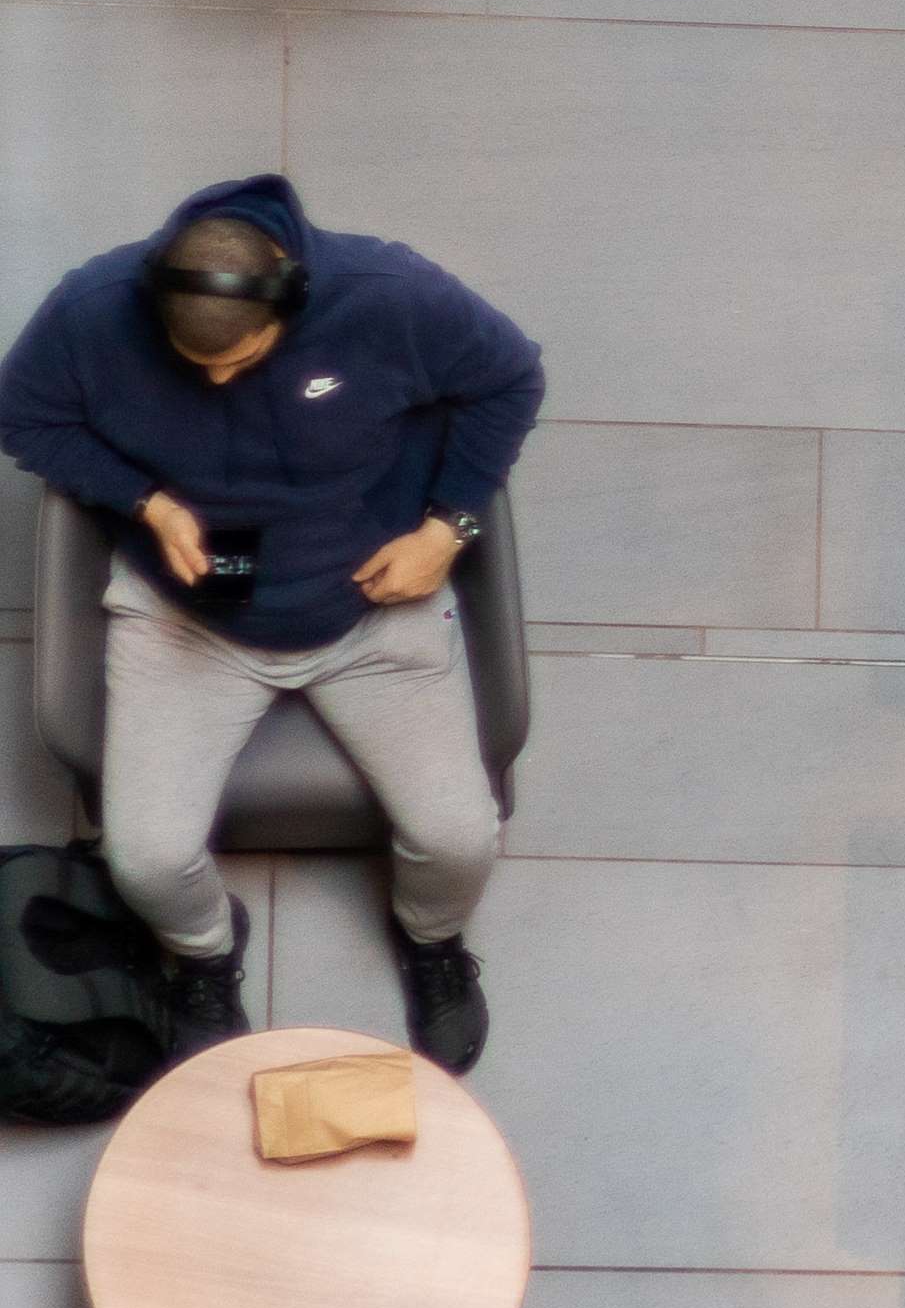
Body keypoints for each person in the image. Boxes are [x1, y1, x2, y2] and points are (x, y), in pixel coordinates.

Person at [0, 176, 542, 1073]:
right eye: (195, 363)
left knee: (459, 839)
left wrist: (449, 530)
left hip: (369, 604)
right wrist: (146, 502)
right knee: (143, 860)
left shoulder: (391, 296)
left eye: (241, 360)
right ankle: (206, 954)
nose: (217, 380)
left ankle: (431, 940)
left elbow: (510, 380)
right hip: (188, 617)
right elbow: (24, 417)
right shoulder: (90, 311)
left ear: (291, 295)